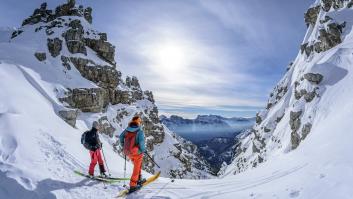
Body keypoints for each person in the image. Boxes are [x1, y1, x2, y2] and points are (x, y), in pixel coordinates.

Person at [119, 116, 146, 192]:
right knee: (136, 169)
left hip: (129, 153)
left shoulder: (127, 130)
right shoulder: (139, 131)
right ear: (138, 122)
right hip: (137, 153)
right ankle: (133, 185)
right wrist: (143, 150)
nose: (140, 123)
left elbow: (121, 138)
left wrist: (123, 145)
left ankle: (138, 179)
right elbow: (141, 143)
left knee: (137, 165)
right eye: (139, 121)